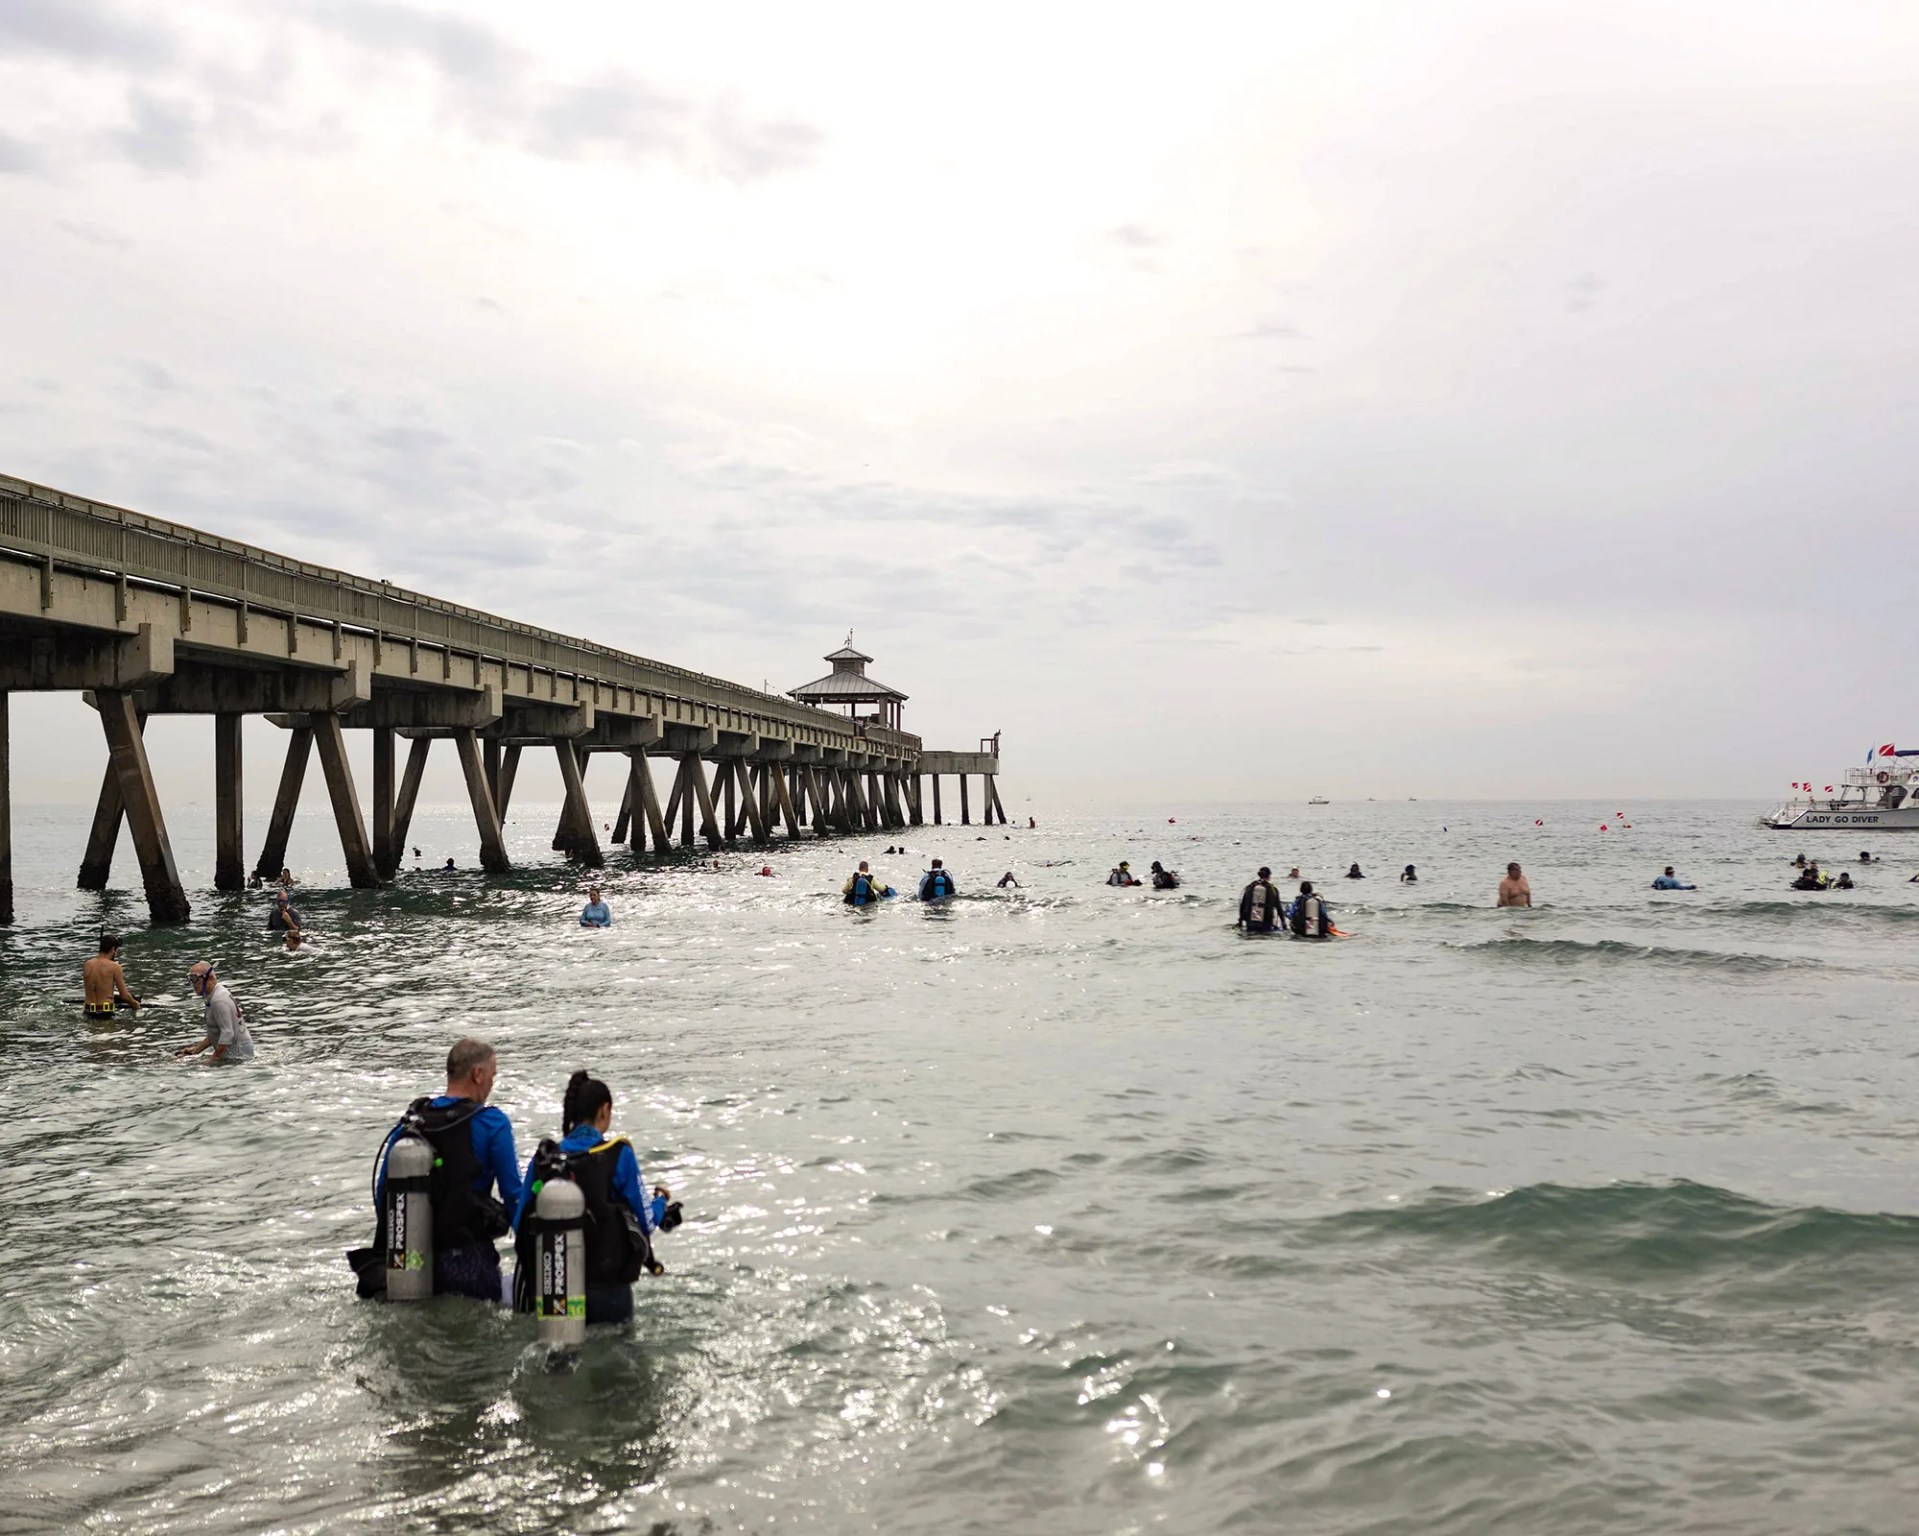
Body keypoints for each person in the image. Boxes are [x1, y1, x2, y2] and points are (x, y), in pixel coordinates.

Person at [359, 1038, 522, 1301]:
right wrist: (535, 1252)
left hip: (409, 1261)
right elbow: (514, 1194)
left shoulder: (412, 1124)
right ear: (477, 1075)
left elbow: (382, 1193)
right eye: (492, 1076)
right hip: (467, 1263)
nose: (492, 1084)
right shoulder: (492, 1122)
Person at [514, 1070, 676, 1326]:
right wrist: (660, 1203)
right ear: (604, 1110)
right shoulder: (618, 1154)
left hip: (554, 1291)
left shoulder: (545, 1160)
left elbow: (519, 1222)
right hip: (607, 1291)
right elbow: (645, 1221)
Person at [176, 961, 253, 1063]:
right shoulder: (215, 995)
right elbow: (215, 1032)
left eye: (195, 979)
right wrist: (195, 1051)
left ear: (210, 979)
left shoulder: (218, 1000)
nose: (193, 984)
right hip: (238, 1052)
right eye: (190, 979)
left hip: (239, 1056)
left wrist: (212, 1060)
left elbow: (227, 1034)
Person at [83, 933, 140, 1019]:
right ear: (113, 949)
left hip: (87, 1011)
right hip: (105, 1013)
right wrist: (135, 1004)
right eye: (117, 950)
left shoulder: (87, 964)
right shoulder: (114, 967)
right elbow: (124, 996)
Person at [1238, 867, 1283, 933]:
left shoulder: (1250, 887)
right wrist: (1284, 923)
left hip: (1250, 922)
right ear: (1269, 876)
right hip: (1266, 922)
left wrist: (1240, 921)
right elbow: (1279, 908)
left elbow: (1242, 905)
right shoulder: (1272, 889)